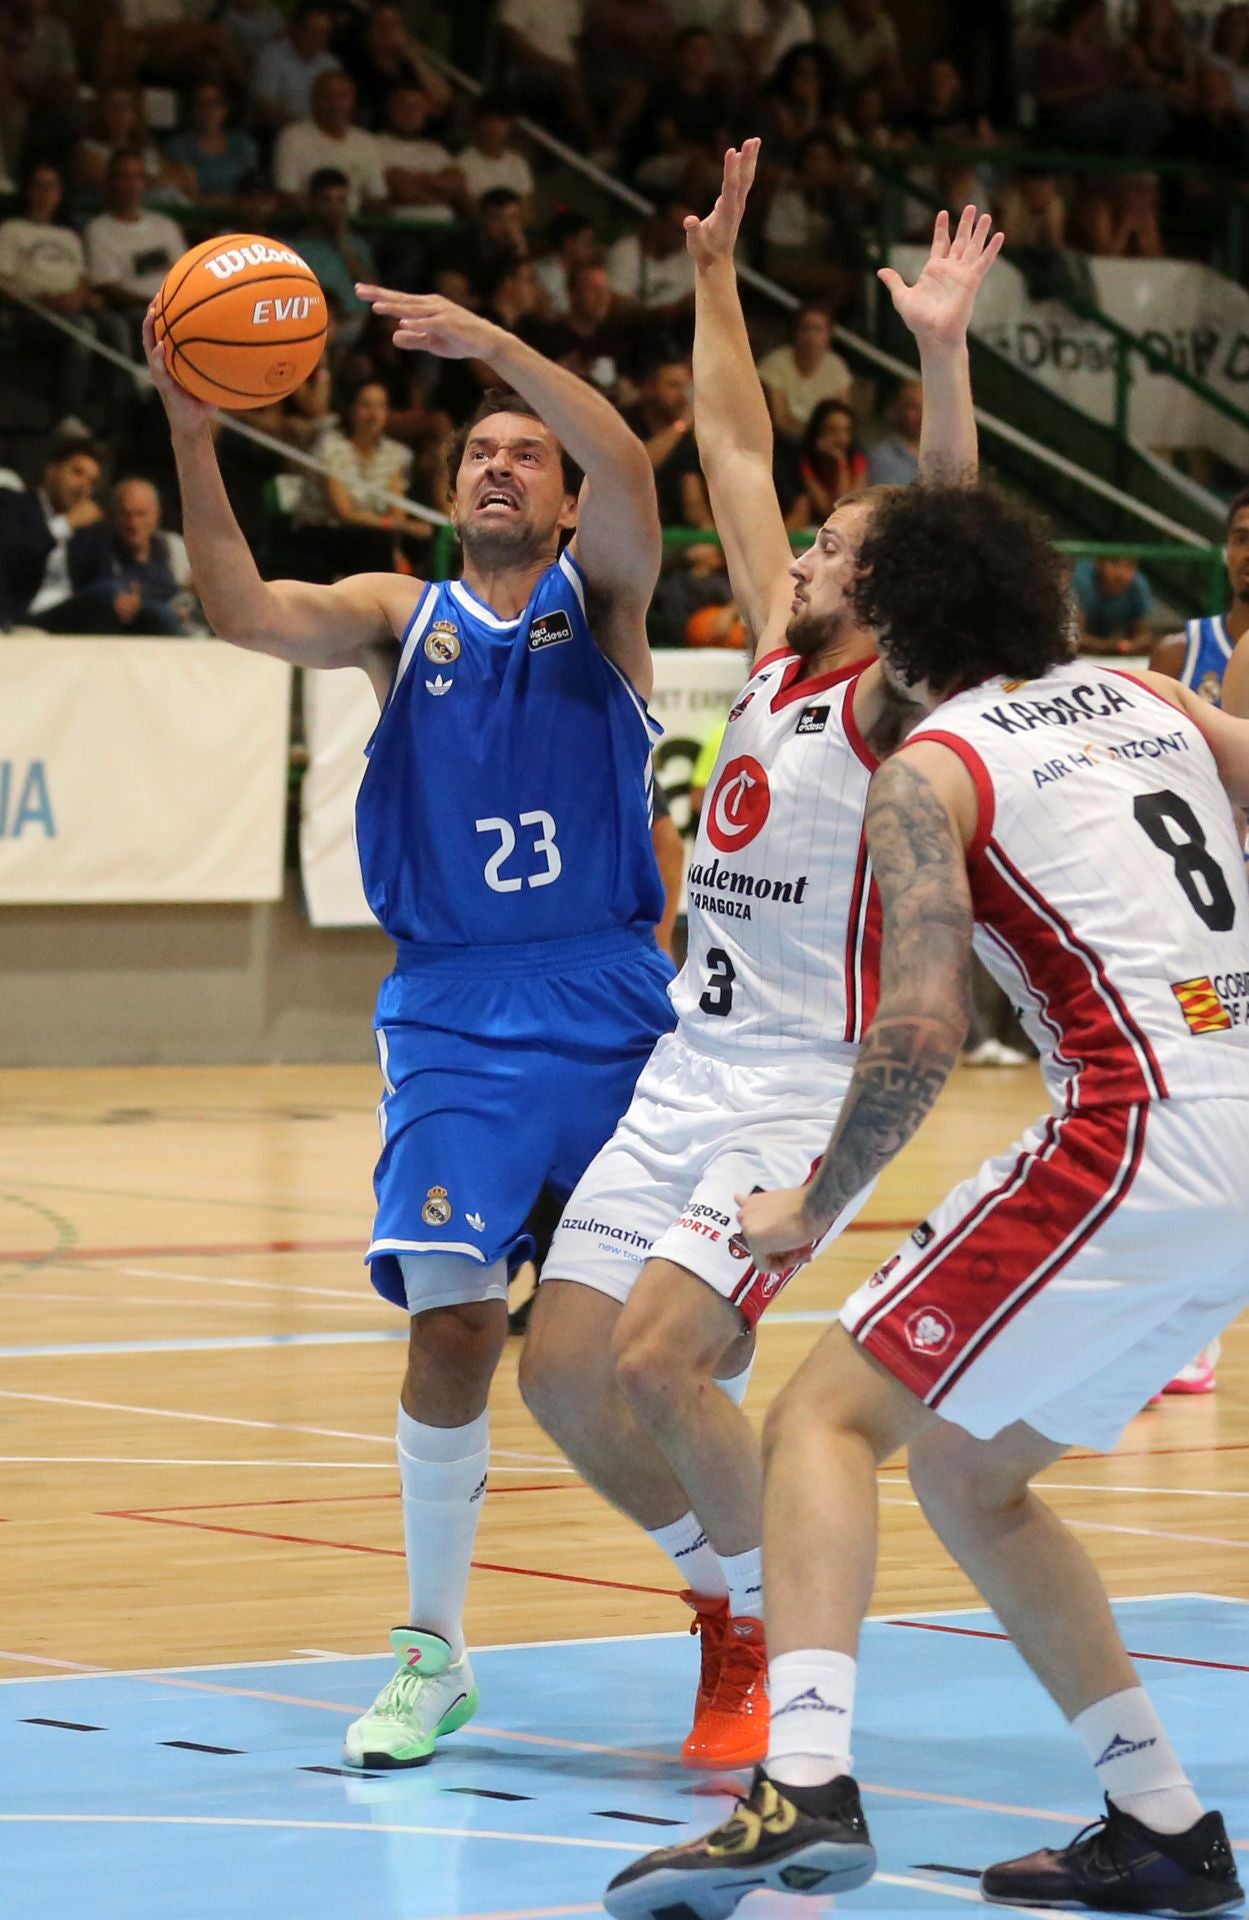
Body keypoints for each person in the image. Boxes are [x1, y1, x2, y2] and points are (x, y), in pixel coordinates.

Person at [604, 479, 1249, 1919]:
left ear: (896, 618)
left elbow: (918, 1030)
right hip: (1244, 1133)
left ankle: (807, 1788)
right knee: (969, 1471)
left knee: (822, 1418)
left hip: (1133, 1125)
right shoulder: (1149, 700)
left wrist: (809, 1198)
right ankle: (1161, 1819)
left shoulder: (933, 767)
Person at [142, 278, 676, 1770]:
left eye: (522, 453)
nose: (494, 465)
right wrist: (194, 435)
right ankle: (432, 1656)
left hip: (614, 1003)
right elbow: (242, 612)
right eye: (474, 455)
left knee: (653, 1360)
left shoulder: (608, 599)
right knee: (452, 1328)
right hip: (451, 1011)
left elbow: (634, 469)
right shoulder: (402, 616)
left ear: (564, 503)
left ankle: (728, 1600)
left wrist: (495, 346)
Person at [520, 143, 1001, 1772]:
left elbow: (944, 530)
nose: (796, 552)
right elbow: (730, 440)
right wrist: (713, 277)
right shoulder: (777, 665)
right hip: (682, 1070)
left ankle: (766, 1650)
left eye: (830, 548)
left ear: (886, 592)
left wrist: (939, 356)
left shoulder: (888, 708)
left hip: (798, 1094)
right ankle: (717, 1590)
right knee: (562, 1378)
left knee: (662, 1358)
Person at [36, 475, 192, 635]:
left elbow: (184, 592)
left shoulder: (171, 547)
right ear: (114, 515)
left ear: (157, 514)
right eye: (126, 514)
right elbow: (102, 593)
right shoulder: (97, 543)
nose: (133, 523)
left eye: (141, 514)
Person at [0, 431, 103, 631]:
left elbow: (101, 578)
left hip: (72, 614)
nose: (84, 487)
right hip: (22, 614)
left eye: (92, 482)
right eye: (77, 473)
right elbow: (12, 560)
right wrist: (65, 524)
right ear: (52, 471)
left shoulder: (89, 525)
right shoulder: (13, 504)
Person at [756, 303, 852, 440]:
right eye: (805, 329)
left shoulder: (837, 367)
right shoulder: (775, 364)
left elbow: (843, 418)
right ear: (795, 333)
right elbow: (780, 421)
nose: (811, 337)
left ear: (828, 336)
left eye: (817, 329)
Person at [1072, 551, 1152, 654]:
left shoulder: (1137, 585)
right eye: (1114, 563)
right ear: (1099, 563)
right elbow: (1072, 637)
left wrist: (1131, 645)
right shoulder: (1080, 581)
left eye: (1129, 566)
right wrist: (1110, 645)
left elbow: (1144, 634)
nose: (1120, 574)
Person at [865, 375, 922, 485]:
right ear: (897, 411)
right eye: (914, 408)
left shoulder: (943, 456)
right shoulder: (881, 457)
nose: (922, 415)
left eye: (926, 407)